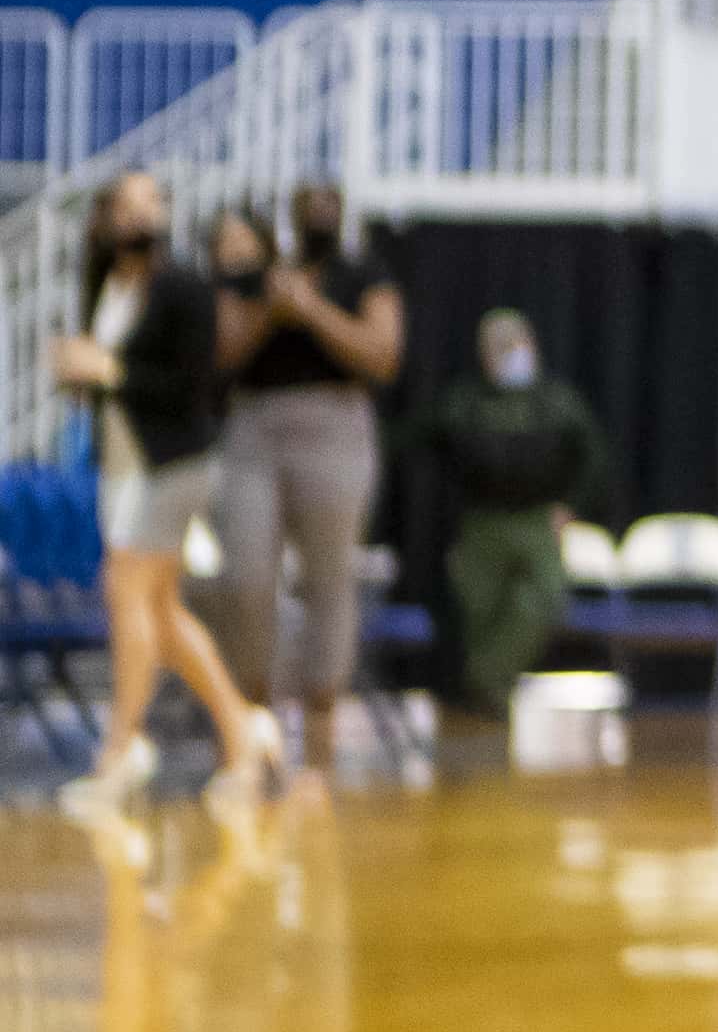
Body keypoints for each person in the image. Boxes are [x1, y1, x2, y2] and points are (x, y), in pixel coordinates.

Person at [49, 173, 272, 809]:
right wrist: (81, 374)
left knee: (126, 592)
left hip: (174, 465)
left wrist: (109, 370)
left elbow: (189, 388)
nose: (143, 213)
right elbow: (110, 379)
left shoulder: (183, 287)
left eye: (154, 201)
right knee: (164, 617)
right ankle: (242, 732)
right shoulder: (105, 284)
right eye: (130, 202)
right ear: (108, 217)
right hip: (122, 464)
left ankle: (121, 750)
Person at [210, 175, 399, 789]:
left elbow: (382, 356)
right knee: (245, 577)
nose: (318, 212)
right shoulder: (259, 275)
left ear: (341, 212)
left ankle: (320, 740)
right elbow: (222, 353)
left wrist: (312, 309)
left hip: (335, 428)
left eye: (329, 203)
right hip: (252, 432)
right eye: (307, 204)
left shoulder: (363, 273)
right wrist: (274, 306)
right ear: (289, 215)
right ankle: (252, 722)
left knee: (329, 579)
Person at [413, 307, 616, 725]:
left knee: (543, 597)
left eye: (515, 344)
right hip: (484, 521)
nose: (509, 356)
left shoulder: (555, 401)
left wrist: (570, 504)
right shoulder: (466, 400)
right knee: (477, 610)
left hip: (536, 520)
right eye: (498, 347)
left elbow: (593, 456)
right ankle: (478, 706)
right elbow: (422, 435)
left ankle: (482, 683)